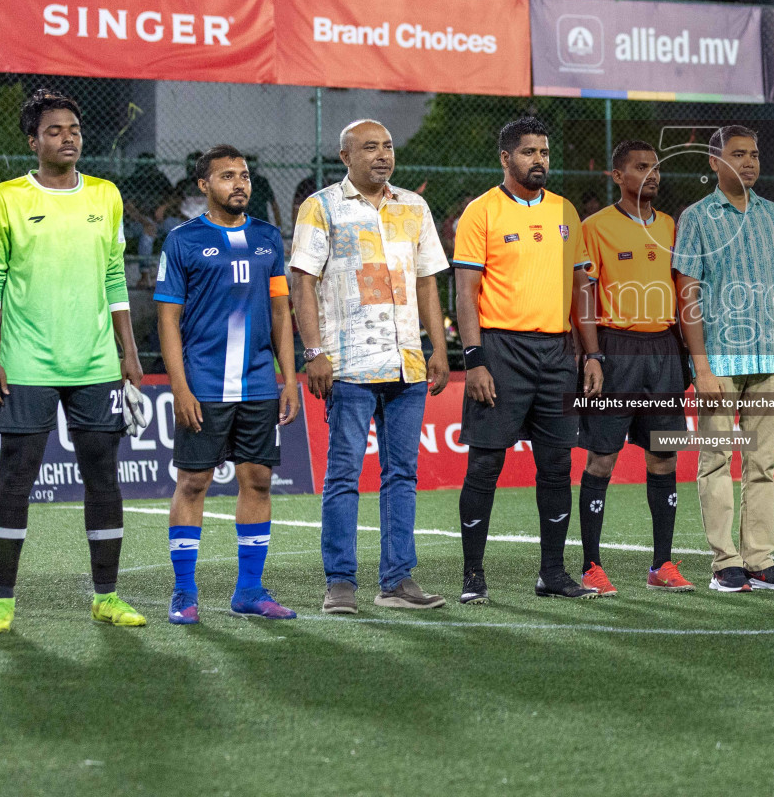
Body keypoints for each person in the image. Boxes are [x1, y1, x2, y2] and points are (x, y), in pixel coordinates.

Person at [0, 88, 146, 634]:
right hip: (25, 364)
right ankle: (2, 600)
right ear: (33, 141)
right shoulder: (6, 198)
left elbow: (115, 276)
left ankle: (107, 596)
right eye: (54, 130)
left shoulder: (106, 195)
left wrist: (129, 352)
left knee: (103, 478)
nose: (68, 137)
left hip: (95, 364)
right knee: (15, 479)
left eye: (73, 129)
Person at [290, 120, 451, 614]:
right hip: (349, 364)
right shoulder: (321, 207)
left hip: (406, 363)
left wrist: (438, 347)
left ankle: (397, 580)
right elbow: (302, 282)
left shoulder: (414, 206)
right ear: (345, 156)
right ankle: (340, 582)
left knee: (402, 474)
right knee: (343, 475)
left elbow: (427, 282)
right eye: (369, 147)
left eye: (387, 146)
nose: (382, 155)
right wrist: (314, 352)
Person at [453, 116, 603, 603]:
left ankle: (553, 574)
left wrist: (591, 354)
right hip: (500, 351)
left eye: (544, 152)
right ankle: (473, 576)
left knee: (557, 465)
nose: (539, 160)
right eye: (529, 152)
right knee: (484, 465)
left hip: (558, 354)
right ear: (506, 158)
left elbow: (583, 288)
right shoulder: (482, 212)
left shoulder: (565, 211)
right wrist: (474, 359)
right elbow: (466, 291)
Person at [156, 145, 304, 625]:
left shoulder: (267, 238)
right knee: (194, 483)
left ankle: (249, 590)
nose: (239, 184)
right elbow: (168, 319)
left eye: (243, 176)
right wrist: (179, 386)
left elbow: (282, 311)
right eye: (226, 177)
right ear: (204, 186)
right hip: (204, 384)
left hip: (260, 383)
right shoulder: (183, 240)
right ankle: (183, 591)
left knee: (258, 480)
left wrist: (289, 378)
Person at [674, 125, 774, 594]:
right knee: (714, 461)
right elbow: (686, 297)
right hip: (719, 361)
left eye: (753, 154)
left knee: (763, 465)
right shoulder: (696, 218)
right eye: (737, 154)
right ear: (714, 162)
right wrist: (701, 367)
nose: (749, 162)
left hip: (771, 360)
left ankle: (760, 561)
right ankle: (724, 563)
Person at [574, 140, 694, 595]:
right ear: (617, 176)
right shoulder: (594, 227)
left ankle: (661, 565)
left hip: (663, 349)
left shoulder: (672, 227)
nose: (653, 175)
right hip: (615, 349)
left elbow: (684, 296)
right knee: (602, 459)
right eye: (641, 167)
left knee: (664, 455)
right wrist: (592, 355)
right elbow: (582, 295)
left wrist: (687, 357)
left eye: (657, 167)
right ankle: (591, 566)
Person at [245, 153, 283, 231]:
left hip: (260, 221)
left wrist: (279, 227)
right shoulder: (240, 182)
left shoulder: (262, 182)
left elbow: (274, 205)